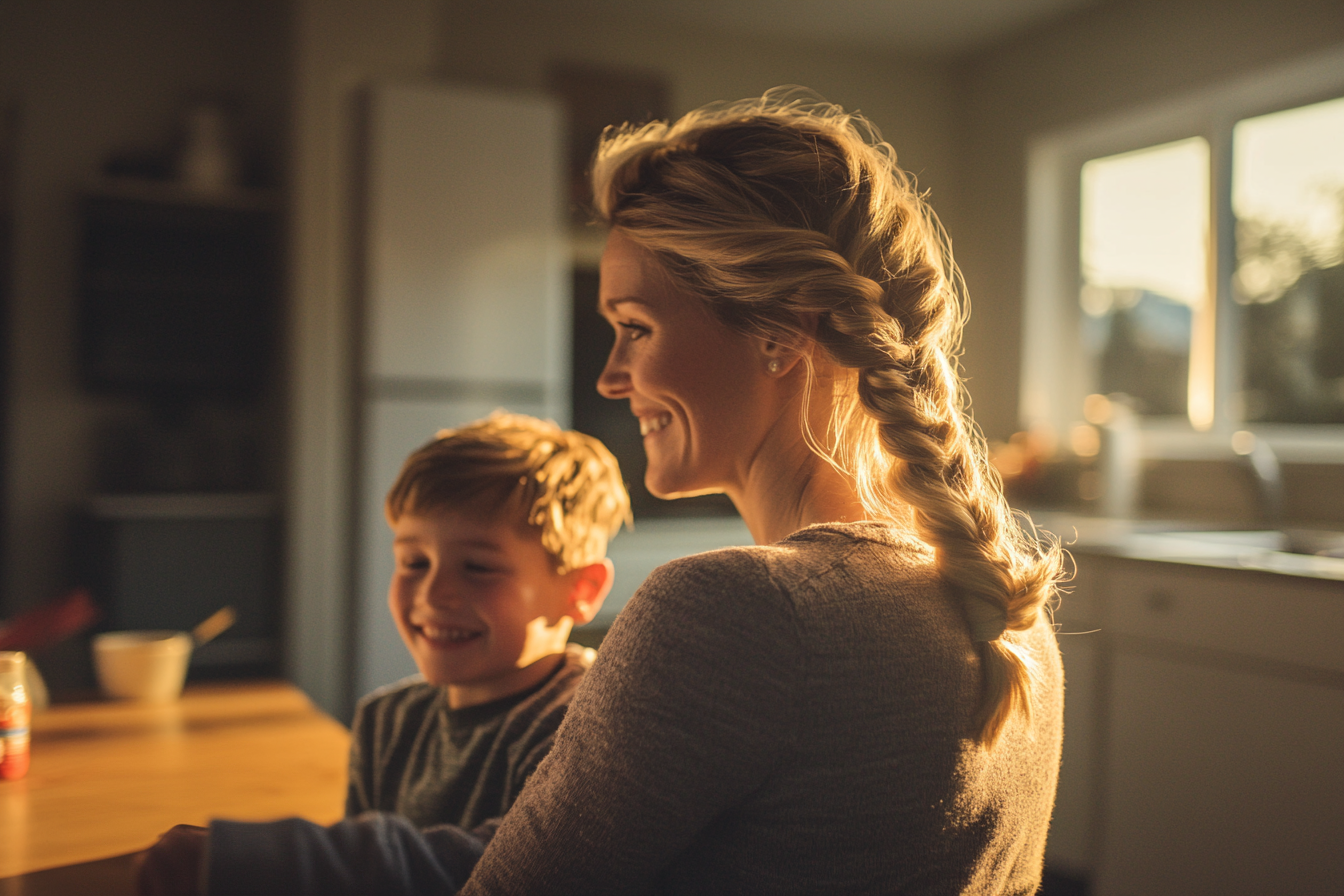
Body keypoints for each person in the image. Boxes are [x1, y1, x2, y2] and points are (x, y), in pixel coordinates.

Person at [455, 89, 1067, 894]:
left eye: (635, 327)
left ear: (780, 329)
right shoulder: (1004, 610)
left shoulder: (732, 613)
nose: (610, 377)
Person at [135, 413, 630, 896]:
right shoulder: (386, 721)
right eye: (414, 561)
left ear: (581, 589)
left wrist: (251, 858)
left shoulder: (585, 730)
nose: (433, 594)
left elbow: (506, 867)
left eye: (478, 567)